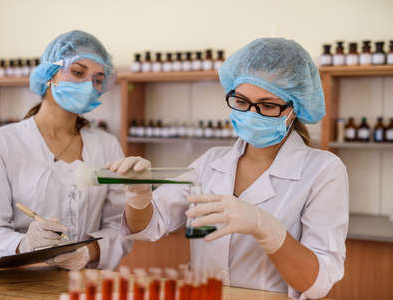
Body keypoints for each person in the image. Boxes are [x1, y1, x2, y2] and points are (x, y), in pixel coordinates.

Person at [110, 38, 349, 299]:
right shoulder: (212, 162)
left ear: (295, 109)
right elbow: (150, 226)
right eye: (242, 101)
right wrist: (139, 197)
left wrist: (266, 228)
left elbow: (317, 283)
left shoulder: (323, 171)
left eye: (268, 106)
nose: (251, 113)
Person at [0, 30, 131, 270]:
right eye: (77, 72)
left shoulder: (106, 146)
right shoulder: (1, 143)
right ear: (48, 74)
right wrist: (26, 244)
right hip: (21, 285)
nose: (88, 85)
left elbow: (119, 227)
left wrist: (86, 252)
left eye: (97, 79)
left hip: (84, 285)